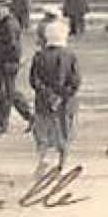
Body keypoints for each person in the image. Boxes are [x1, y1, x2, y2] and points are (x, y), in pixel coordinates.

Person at [30, 16, 81, 176]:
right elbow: (75, 80)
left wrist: (48, 94)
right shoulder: (71, 56)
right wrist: (62, 96)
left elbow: (34, 80)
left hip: (44, 102)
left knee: (43, 132)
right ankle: (62, 163)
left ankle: (43, 159)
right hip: (65, 103)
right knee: (64, 132)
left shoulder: (39, 56)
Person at [0, 0, 35, 135]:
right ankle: (29, 118)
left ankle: (3, 124)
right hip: (2, 63)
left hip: (7, 64)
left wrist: (13, 62)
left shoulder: (9, 24)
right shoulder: (3, 22)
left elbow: (14, 46)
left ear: (5, 8)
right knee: (9, 93)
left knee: (6, 94)